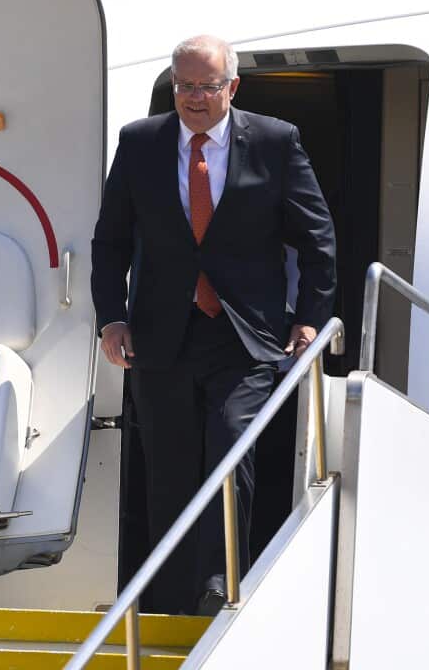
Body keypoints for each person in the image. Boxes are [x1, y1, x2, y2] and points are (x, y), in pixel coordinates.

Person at [91, 35, 336, 615]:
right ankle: (173, 601)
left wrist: (309, 321)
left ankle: (219, 584)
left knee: (231, 447)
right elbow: (111, 240)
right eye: (183, 86)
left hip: (244, 333)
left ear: (232, 86)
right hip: (161, 332)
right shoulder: (140, 142)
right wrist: (111, 318)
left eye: (206, 86)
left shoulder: (275, 142)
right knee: (170, 467)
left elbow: (317, 240)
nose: (194, 98)